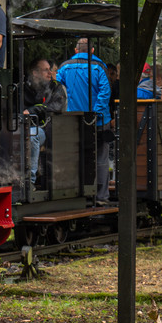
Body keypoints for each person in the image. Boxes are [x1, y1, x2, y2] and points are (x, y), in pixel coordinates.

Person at [57, 38, 114, 201]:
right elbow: (105, 93)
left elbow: (57, 90)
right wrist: (94, 113)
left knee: (76, 156)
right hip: (99, 121)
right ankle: (101, 196)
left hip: (73, 121)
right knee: (101, 158)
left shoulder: (64, 67)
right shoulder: (99, 67)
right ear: (92, 51)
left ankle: (78, 194)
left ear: (76, 50)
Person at [21, 57, 66, 181]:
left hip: (47, 129)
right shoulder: (23, 88)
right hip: (21, 126)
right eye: (45, 70)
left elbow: (56, 106)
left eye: (50, 70)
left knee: (32, 135)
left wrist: (32, 111)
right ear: (35, 73)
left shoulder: (56, 88)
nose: (50, 73)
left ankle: (30, 180)